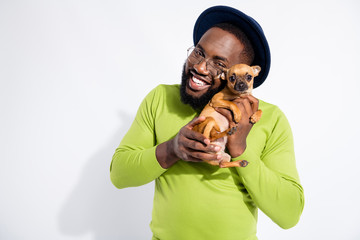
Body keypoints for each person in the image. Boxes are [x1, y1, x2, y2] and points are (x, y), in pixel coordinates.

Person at [110, 5, 304, 240]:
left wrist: (241, 149)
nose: (200, 67)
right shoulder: (160, 99)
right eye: (199, 53)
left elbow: (289, 214)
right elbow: (119, 174)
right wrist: (172, 149)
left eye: (219, 64)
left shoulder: (269, 118)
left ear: (241, 75)